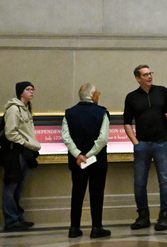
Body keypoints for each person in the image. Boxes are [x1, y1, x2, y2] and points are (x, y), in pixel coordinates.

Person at [123, 65, 167, 232]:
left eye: (150, 73)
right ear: (138, 78)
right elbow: (126, 121)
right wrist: (135, 142)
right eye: (145, 75)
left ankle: (164, 215)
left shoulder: (162, 92)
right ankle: (143, 215)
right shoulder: (131, 97)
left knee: (165, 180)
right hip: (143, 144)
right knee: (139, 182)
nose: (149, 77)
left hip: (162, 142)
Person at [62, 83, 111, 239]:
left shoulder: (69, 113)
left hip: (77, 162)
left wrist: (78, 155)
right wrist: (90, 155)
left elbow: (66, 137)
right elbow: (102, 139)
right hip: (97, 162)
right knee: (96, 193)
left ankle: (74, 228)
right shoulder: (102, 112)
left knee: (77, 193)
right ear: (94, 95)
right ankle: (96, 227)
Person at [0, 81, 40, 232]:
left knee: (19, 187)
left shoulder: (26, 109)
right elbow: (11, 132)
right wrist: (26, 143)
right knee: (11, 186)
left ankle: (17, 217)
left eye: (32, 89)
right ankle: (11, 220)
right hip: (15, 152)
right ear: (20, 92)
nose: (31, 92)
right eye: (28, 89)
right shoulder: (14, 110)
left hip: (24, 152)